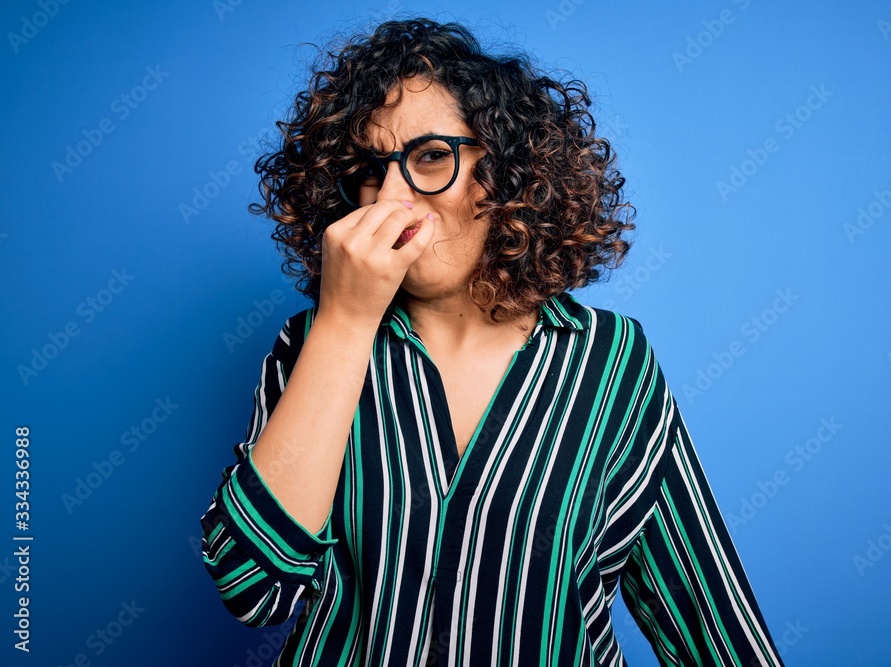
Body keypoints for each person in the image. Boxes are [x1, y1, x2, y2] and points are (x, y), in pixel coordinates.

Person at [199, 16, 785, 667]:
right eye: (369, 169)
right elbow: (252, 587)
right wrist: (344, 322)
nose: (392, 197)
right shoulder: (310, 344)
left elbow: (713, 630)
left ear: (504, 172)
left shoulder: (610, 362)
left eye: (430, 157)